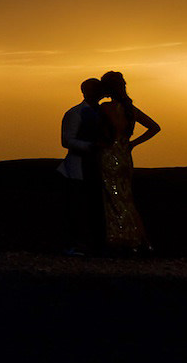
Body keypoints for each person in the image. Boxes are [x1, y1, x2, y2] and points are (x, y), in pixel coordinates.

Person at [96, 70, 159, 254]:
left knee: (112, 199)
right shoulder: (131, 110)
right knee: (127, 198)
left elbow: (100, 133)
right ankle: (141, 240)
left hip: (109, 156)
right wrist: (133, 144)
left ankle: (120, 238)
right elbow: (154, 127)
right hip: (125, 156)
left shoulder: (104, 108)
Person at [56, 77, 106, 254]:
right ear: (84, 92)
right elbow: (66, 140)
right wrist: (91, 146)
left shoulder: (102, 113)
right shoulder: (75, 113)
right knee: (77, 208)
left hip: (95, 165)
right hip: (78, 167)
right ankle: (75, 244)